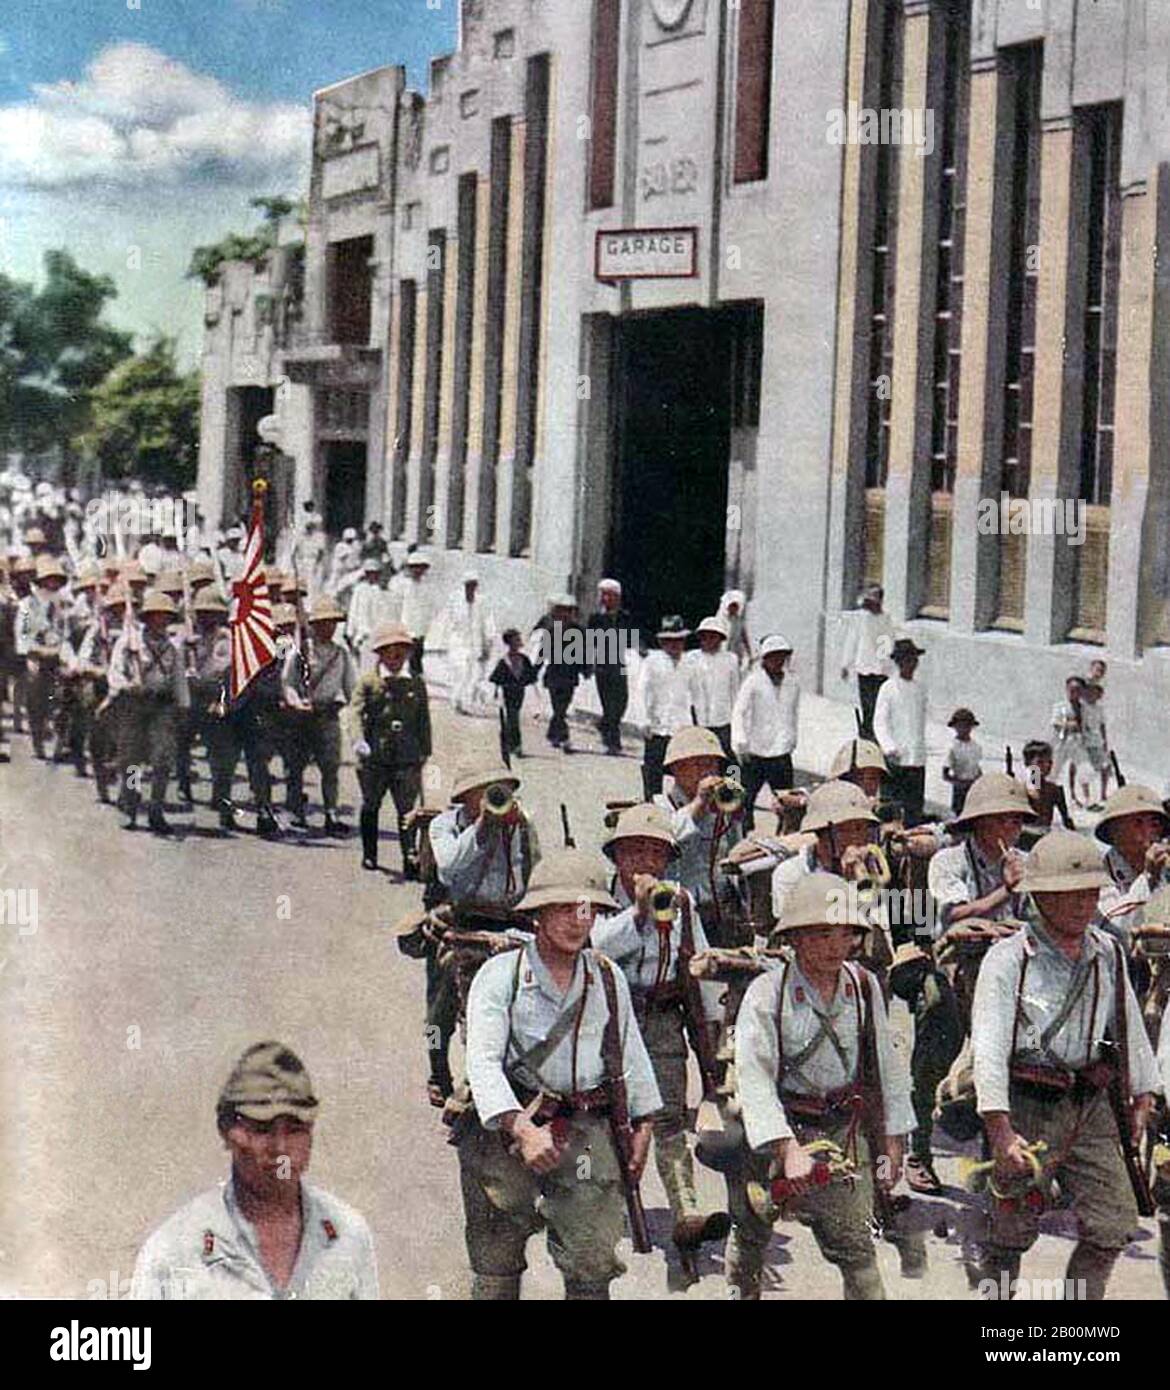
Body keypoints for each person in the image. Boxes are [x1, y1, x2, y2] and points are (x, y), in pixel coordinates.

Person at [459, 850, 662, 1300]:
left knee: (592, 1260)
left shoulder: (607, 977)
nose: (577, 920)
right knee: (496, 1256)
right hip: (509, 1126)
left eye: (587, 909)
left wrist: (645, 1124)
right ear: (538, 914)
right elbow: (483, 1063)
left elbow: (629, 1050)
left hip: (585, 1128)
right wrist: (522, 1130)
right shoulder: (501, 976)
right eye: (564, 908)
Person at [971, 830, 1159, 1301]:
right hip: (1027, 1103)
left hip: (1089, 1102)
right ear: (1042, 894)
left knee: (1114, 1223)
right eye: (1072, 893)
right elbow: (989, 1051)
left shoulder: (1107, 950)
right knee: (1007, 1230)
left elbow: (1128, 1023)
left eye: (1091, 893)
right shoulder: (1009, 958)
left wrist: (1143, 1095)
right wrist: (1000, 1130)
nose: (1083, 904)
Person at [731, 872, 914, 1301]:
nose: (835, 945)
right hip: (779, 1131)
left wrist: (894, 1138)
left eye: (845, 933)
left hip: (840, 1135)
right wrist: (785, 1148)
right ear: (794, 938)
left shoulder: (864, 987)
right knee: (752, 1231)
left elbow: (886, 1066)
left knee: (857, 1251)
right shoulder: (766, 993)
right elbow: (753, 1078)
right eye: (821, 934)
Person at [131, 1042, 378, 1300]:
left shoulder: (346, 1235)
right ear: (227, 1131)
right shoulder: (176, 1250)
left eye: (295, 1128)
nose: (280, 1148)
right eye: (262, 1128)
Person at [593, 806, 729, 1268]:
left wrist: (713, 1026)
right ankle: (605, 1206)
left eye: (656, 854)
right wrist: (637, 913)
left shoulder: (682, 900)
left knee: (668, 1114)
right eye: (635, 853)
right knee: (609, 1117)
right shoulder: (598, 898)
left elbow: (699, 961)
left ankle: (685, 1208)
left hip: (663, 1018)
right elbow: (596, 948)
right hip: (610, 1022)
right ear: (616, 858)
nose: (645, 864)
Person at [426, 759, 541, 1106]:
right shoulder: (444, 826)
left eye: (501, 788)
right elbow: (448, 869)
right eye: (486, 791)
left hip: (507, 921)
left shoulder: (521, 824)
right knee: (439, 1008)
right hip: (460, 919)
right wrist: (481, 828)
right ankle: (436, 1068)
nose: (496, 796)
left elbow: (535, 869)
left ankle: (487, 1077)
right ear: (466, 796)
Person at [348, 621, 431, 876]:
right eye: (389, 650)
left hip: (406, 758)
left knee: (407, 810)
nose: (395, 655)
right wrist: (358, 741)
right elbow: (354, 713)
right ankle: (370, 854)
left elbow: (423, 719)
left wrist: (425, 751)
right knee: (371, 804)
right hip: (374, 758)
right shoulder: (369, 682)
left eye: (401, 650)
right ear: (380, 653)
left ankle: (409, 857)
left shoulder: (415, 683)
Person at [108, 589, 190, 835]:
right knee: (132, 762)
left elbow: (179, 680)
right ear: (148, 617)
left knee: (162, 761)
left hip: (161, 707)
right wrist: (126, 685)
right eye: (157, 616)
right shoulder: (129, 642)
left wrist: (183, 706)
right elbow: (114, 672)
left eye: (166, 616)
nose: (161, 621)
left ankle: (156, 809)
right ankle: (130, 806)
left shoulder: (172, 649)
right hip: (134, 705)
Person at [654, 725, 745, 946]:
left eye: (712, 764)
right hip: (681, 915)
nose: (707, 772)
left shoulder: (722, 807)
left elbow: (736, 853)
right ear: (676, 768)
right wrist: (699, 804)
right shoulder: (659, 807)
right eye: (697, 764)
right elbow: (669, 839)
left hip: (720, 912)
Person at [281, 594, 355, 836]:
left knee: (330, 768)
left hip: (327, 715)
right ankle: (295, 811)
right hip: (302, 716)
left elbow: (351, 688)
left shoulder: (341, 654)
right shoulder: (300, 651)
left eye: (332, 622)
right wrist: (295, 701)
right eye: (323, 622)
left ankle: (331, 814)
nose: (328, 627)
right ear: (313, 625)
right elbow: (288, 683)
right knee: (296, 766)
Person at [731, 633, 799, 834]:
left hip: (781, 753)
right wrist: (740, 741)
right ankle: (744, 836)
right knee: (745, 801)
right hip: (756, 753)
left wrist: (792, 738)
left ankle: (784, 837)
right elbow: (739, 711)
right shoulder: (753, 681)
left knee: (787, 803)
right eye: (773, 656)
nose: (777, 661)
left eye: (781, 656)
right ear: (765, 658)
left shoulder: (792, 683)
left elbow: (793, 713)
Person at [1092, 783, 1170, 947]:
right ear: (1114, 831)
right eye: (1137, 824)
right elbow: (1112, 925)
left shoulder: (1164, 866)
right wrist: (1148, 877)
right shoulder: (1098, 872)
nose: (1148, 832)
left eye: (1154, 824)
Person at [17, 554, 69, 760]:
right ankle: (38, 739)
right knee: (36, 701)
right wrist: (35, 652)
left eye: (56, 580)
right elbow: (23, 635)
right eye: (49, 579)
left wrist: (63, 651)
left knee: (60, 699)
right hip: (37, 656)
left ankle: (59, 739)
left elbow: (67, 632)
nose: (53, 584)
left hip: (59, 655)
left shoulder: (62, 605)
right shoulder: (27, 606)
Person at [638, 614, 695, 800]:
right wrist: (644, 719)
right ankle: (652, 808)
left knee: (684, 774)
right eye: (669, 641)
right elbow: (643, 692)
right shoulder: (652, 662)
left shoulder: (690, 663)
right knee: (653, 772)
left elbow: (696, 695)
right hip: (658, 727)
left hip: (682, 728)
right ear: (662, 642)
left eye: (678, 641)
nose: (674, 645)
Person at [873, 636, 928, 826]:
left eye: (913, 660)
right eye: (906, 660)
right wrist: (889, 747)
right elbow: (879, 722)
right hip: (895, 759)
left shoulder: (920, 688)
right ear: (898, 662)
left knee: (914, 808)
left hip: (916, 758)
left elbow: (918, 723)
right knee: (891, 809)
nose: (910, 664)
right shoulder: (888, 688)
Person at [584, 577, 634, 755]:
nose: (606, 599)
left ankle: (604, 726)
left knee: (621, 702)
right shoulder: (596, 618)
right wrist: (587, 664)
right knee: (609, 704)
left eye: (610, 595)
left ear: (617, 597)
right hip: (602, 664)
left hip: (619, 664)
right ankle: (613, 742)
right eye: (603, 595)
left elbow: (632, 637)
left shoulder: (624, 617)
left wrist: (640, 647)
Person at [530, 593, 584, 753]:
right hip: (554, 673)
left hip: (570, 675)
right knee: (558, 707)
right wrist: (535, 669)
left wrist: (586, 668)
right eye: (562, 611)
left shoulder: (579, 631)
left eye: (569, 611)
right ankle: (564, 737)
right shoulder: (552, 631)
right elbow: (543, 652)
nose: (565, 614)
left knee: (562, 707)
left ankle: (554, 734)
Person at [839, 584, 894, 740]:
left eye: (876, 598)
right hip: (864, 666)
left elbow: (887, 641)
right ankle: (867, 732)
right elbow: (852, 640)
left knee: (878, 703)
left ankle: (875, 732)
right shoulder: (860, 618)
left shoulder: (886, 618)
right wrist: (845, 664)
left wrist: (886, 664)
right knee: (867, 702)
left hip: (881, 669)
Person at [686, 615, 740, 760]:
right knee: (700, 755)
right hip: (698, 717)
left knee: (727, 754)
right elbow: (686, 688)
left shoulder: (730, 660)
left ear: (721, 638)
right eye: (705, 636)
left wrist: (736, 718)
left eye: (713, 636)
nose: (708, 640)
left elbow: (735, 690)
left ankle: (733, 782)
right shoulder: (692, 658)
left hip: (723, 718)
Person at [447, 572, 494, 715]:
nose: (471, 588)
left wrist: (487, 643)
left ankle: (467, 702)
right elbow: (451, 621)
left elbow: (487, 623)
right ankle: (457, 700)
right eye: (468, 585)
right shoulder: (455, 600)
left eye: (474, 585)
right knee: (460, 671)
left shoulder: (482, 602)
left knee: (473, 674)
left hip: (476, 643)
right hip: (459, 642)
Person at [489, 628, 538, 758]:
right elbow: (496, 678)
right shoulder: (504, 661)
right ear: (509, 642)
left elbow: (531, 675)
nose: (518, 642)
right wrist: (496, 691)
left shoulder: (524, 659)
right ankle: (515, 745)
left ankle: (511, 744)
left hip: (519, 692)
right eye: (516, 639)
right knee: (512, 717)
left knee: (512, 717)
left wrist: (528, 683)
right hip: (508, 692)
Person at [387, 549, 438, 675]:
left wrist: (428, 627)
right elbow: (395, 607)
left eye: (421, 567)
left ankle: (414, 677)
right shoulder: (402, 585)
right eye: (415, 567)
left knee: (417, 653)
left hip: (420, 628)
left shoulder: (427, 587)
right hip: (405, 626)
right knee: (407, 654)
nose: (418, 571)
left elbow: (430, 608)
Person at [1021, 739, 1074, 834]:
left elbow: (1067, 822)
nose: (1047, 766)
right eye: (1040, 762)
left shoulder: (1054, 790)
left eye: (1049, 762)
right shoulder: (1020, 790)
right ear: (1028, 764)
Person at [345, 557, 390, 670]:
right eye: (370, 573)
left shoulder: (381, 591)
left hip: (377, 634)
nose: (373, 576)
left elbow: (384, 615)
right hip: (362, 635)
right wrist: (350, 632)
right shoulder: (360, 589)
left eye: (375, 573)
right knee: (364, 667)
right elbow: (354, 610)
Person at [1052, 675, 1088, 809]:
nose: (1074, 692)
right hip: (1063, 742)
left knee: (1080, 770)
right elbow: (1055, 723)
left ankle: (1075, 797)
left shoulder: (1084, 708)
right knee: (1054, 770)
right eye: (1071, 689)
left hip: (1078, 743)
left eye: (1078, 690)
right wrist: (1068, 725)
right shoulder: (1060, 706)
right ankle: (1044, 794)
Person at [942, 707, 982, 816]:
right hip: (960, 788)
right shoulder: (952, 747)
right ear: (955, 727)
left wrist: (980, 782)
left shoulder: (976, 747)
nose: (964, 729)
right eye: (961, 726)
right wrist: (959, 783)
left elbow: (977, 768)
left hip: (974, 787)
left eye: (967, 725)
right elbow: (945, 774)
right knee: (959, 815)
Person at [1080, 680, 1109, 811]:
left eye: (1095, 693)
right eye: (1090, 692)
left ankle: (1102, 794)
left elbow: (1102, 725)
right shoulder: (1082, 708)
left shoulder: (1099, 709)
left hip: (1097, 742)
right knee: (1085, 770)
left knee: (1105, 767)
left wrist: (1105, 742)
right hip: (1084, 743)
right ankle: (1086, 797)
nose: (1092, 695)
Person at [718, 589, 752, 668]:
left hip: (735, 652)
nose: (734, 609)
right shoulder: (721, 620)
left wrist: (749, 652)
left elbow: (744, 635)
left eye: (736, 606)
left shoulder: (738, 620)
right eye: (732, 606)